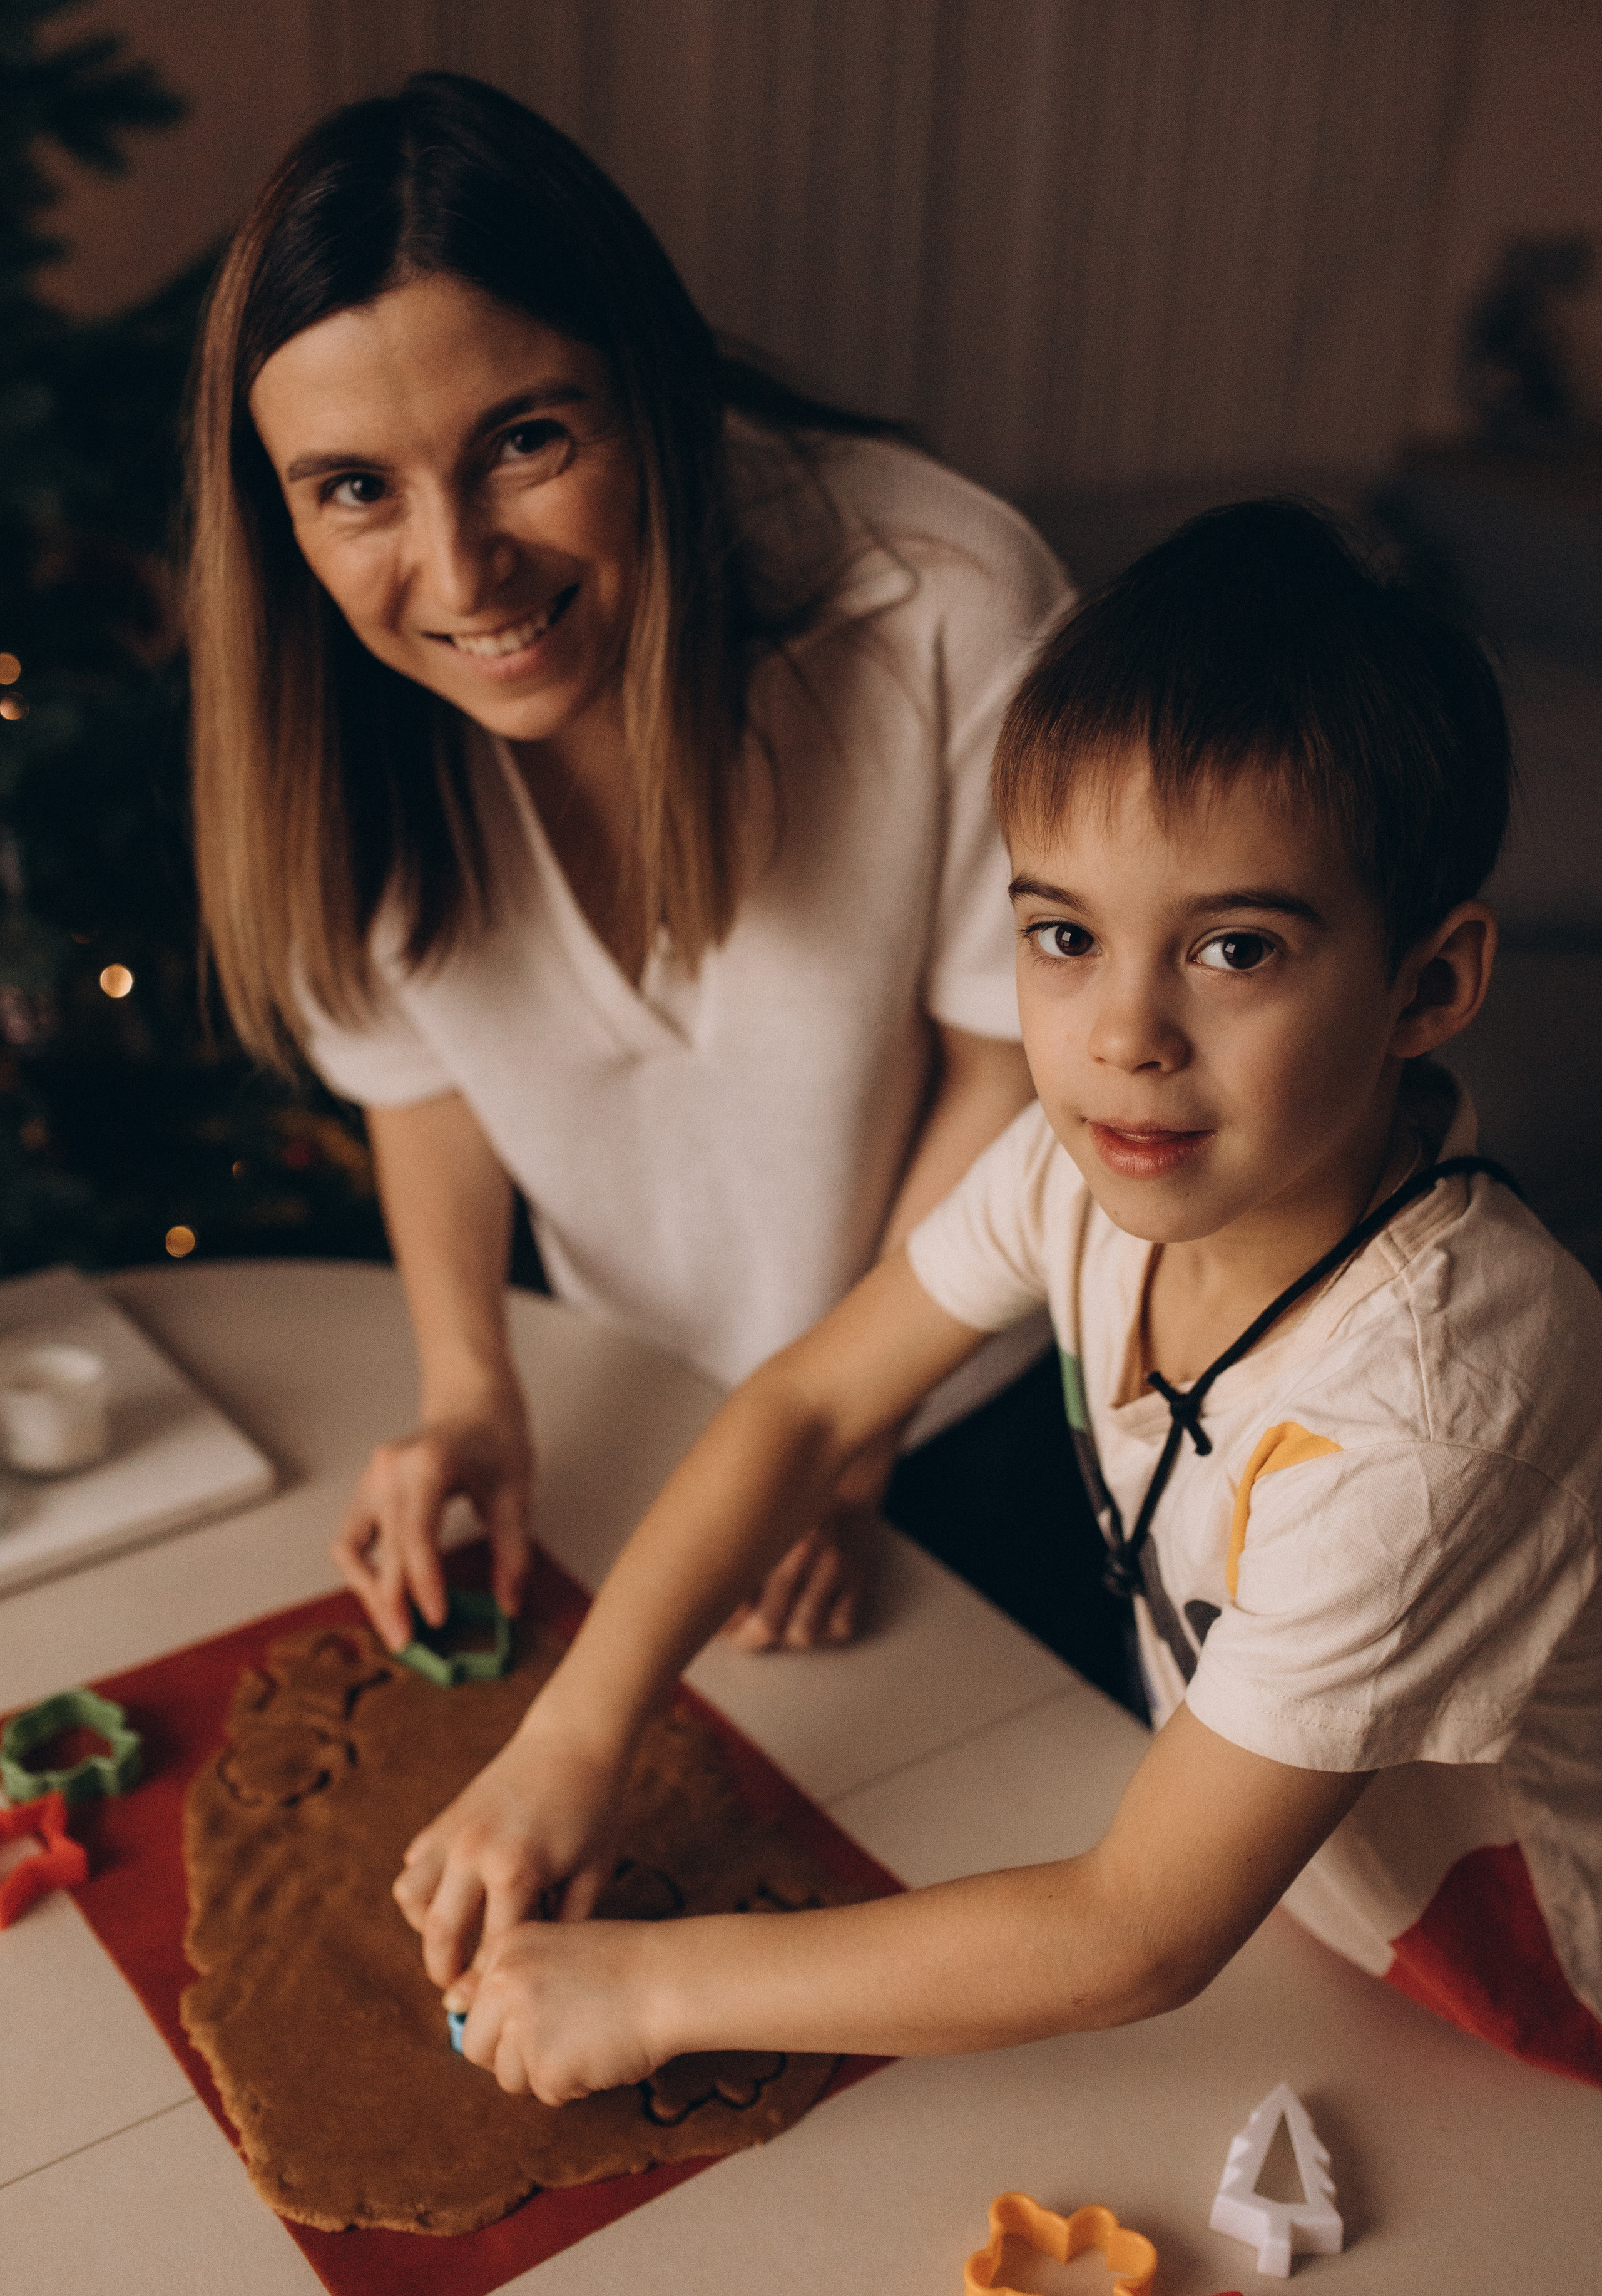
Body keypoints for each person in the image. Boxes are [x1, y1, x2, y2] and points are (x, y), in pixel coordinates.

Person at [394, 501, 1602, 2099]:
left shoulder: (1435, 1404)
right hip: (1310, 1893)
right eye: (1060, 936)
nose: (1122, 1034)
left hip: (1536, 1968)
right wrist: (570, 1737)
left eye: (1232, 948)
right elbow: (808, 1400)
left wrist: (657, 1982)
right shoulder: (1081, 1164)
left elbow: (1134, 1935)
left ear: (1427, 986)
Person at [185, 71, 1096, 1664]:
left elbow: (1009, 1064)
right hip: (638, 1399)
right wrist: (471, 1387)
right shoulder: (325, 691)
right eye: (355, 491)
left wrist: (835, 1436)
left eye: (524, 441)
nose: (461, 574)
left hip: (950, 1412)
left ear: (650, 389)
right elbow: (427, 1077)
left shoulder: (947, 598)